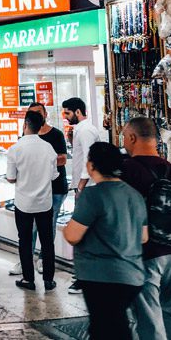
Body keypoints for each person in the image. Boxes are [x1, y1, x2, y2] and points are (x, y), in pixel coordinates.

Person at [63, 142, 148, 340]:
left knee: (105, 328)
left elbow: (73, 235)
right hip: (132, 275)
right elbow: (143, 237)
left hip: (100, 276)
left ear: (91, 166)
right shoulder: (134, 195)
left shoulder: (93, 195)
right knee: (113, 325)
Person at [119, 117, 171, 340]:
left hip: (145, 253)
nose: (124, 141)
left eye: (124, 136)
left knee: (149, 318)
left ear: (132, 137)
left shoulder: (126, 170)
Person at [9, 102, 68, 276]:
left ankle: (37, 266)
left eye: (38, 113)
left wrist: (36, 165)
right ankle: (36, 268)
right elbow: (50, 172)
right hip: (40, 195)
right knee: (37, 232)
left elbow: (62, 159)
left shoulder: (55, 136)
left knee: (44, 231)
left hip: (51, 192)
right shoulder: (29, 142)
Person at [62, 97, 101, 294]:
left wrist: (81, 187)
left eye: (68, 113)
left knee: (81, 234)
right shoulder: (82, 130)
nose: (65, 117)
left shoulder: (85, 131)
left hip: (88, 188)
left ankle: (81, 278)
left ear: (78, 112)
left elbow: (88, 159)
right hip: (86, 188)